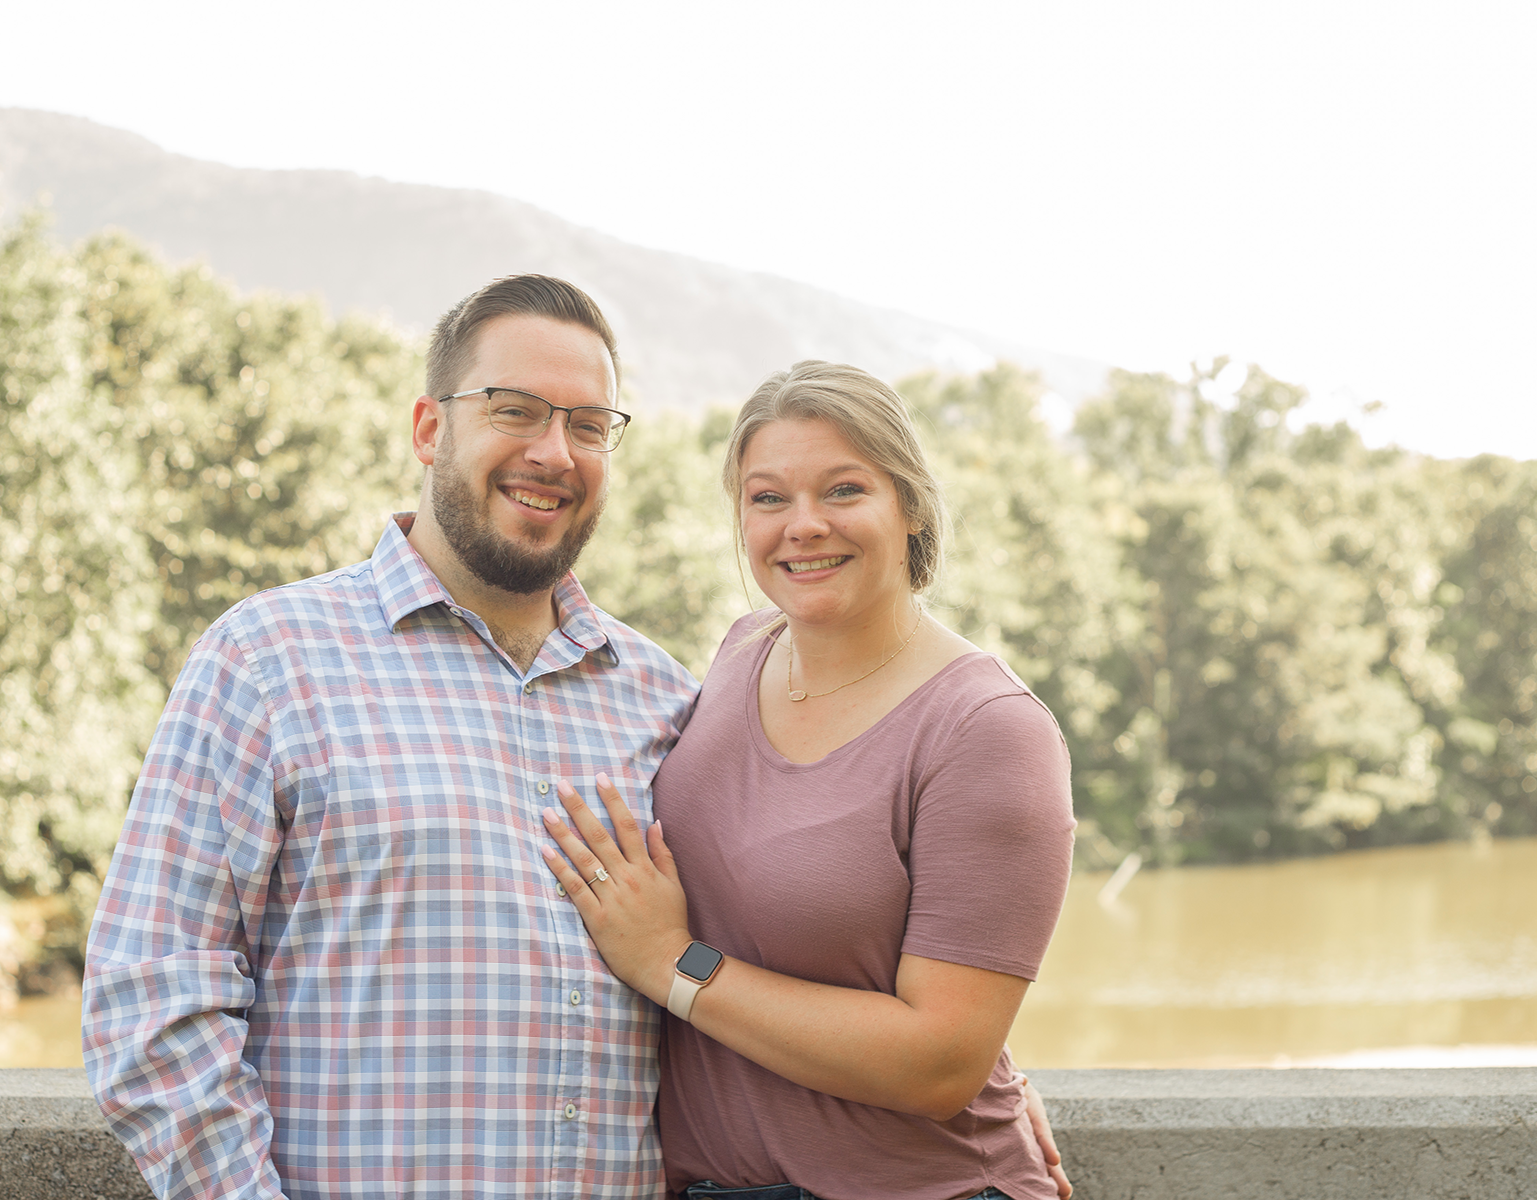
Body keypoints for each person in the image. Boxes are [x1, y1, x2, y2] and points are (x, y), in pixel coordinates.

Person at [82, 275, 699, 1199]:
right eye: (515, 411)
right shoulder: (266, 659)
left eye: (586, 424)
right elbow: (154, 992)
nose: (553, 452)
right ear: (428, 429)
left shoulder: (665, 700)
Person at [542, 361, 1076, 1200]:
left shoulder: (988, 730)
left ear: (909, 507)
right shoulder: (738, 654)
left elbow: (940, 1063)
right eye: (767, 498)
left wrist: (673, 963)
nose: (804, 526)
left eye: (843, 490)